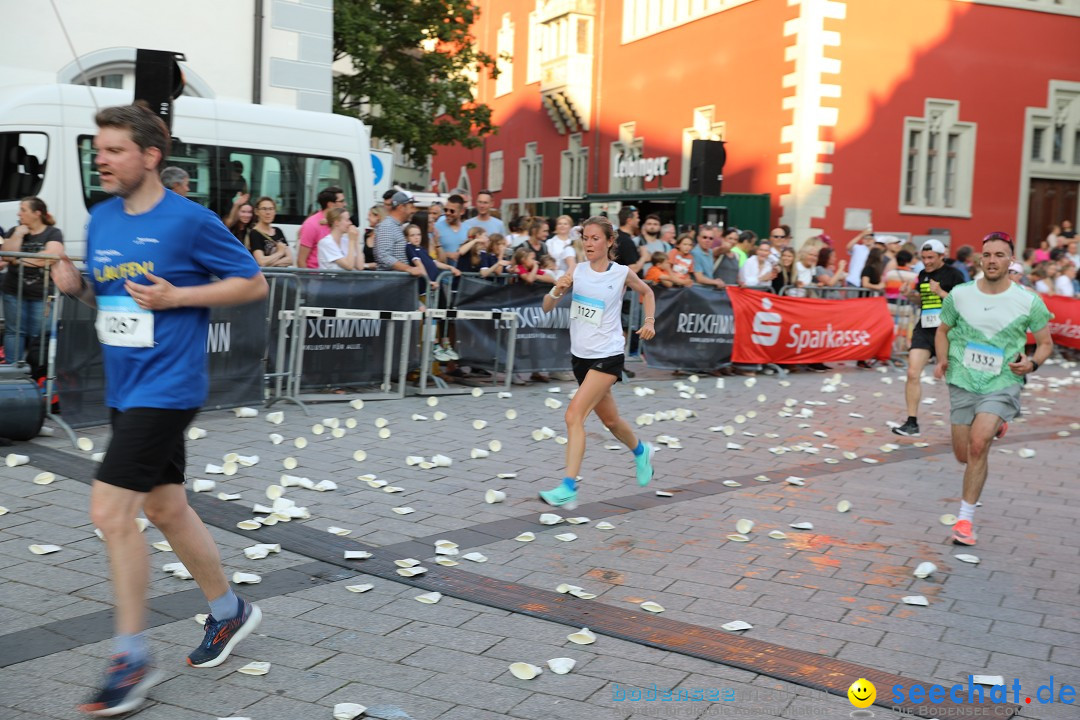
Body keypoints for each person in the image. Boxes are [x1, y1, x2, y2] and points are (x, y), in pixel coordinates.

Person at [49, 105, 267, 716]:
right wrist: (78, 287)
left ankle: (131, 657)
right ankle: (230, 611)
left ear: (151, 156)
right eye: (99, 150)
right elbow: (111, 290)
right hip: (126, 385)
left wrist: (181, 296)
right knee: (167, 506)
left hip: (167, 388)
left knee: (109, 510)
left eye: (115, 150)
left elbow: (253, 283)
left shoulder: (189, 221)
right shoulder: (102, 217)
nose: (103, 159)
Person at [934, 232, 1052, 546]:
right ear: (979, 259)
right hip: (962, 379)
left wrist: (1032, 364)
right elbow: (942, 331)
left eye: (1000, 255)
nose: (992, 260)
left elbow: (1045, 343)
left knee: (977, 444)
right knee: (963, 454)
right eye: (987, 255)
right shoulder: (959, 294)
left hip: (1002, 381)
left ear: (1011, 260)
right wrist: (943, 358)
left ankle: (964, 521)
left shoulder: (1028, 300)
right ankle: (994, 425)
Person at [537, 216, 657, 508]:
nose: (588, 244)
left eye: (595, 239)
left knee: (573, 415)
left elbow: (647, 292)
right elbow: (546, 307)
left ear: (609, 242)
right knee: (611, 420)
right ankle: (642, 451)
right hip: (581, 357)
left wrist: (649, 320)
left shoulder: (620, 273)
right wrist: (558, 289)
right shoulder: (577, 271)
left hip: (608, 354)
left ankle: (568, 486)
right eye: (585, 239)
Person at [891, 239, 968, 436]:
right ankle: (911, 422)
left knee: (957, 379)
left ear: (942, 256)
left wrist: (941, 292)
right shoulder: (923, 274)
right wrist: (910, 295)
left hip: (948, 330)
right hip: (925, 328)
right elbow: (922, 300)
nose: (927, 262)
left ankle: (977, 418)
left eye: (931, 258)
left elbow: (964, 304)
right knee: (912, 372)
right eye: (924, 258)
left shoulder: (955, 275)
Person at [1, 196, 64, 365]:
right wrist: (19, 234)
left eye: (23, 210)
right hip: (13, 292)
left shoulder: (53, 232)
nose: (18, 213)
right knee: (14, 332)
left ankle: (37, 374)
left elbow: (50, 257)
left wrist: (20, 260)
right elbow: (7, 254)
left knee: (40, 334)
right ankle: (14, 373)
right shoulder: (15, 230)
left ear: (37, 213)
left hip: (42, 295)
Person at [374, 191, 425, 279]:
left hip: (396, 283)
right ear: (401, 207)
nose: (414, 210)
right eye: (411, 206)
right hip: (390, 283)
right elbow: (383, 256)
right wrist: (409, 269)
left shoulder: (396, 226)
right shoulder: (387, 226)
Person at [296, 186, 346, 269]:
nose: (345, 204)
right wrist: (307, 281)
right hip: (316, 278)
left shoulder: (338, 222)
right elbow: (301, 260)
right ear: (330, 205)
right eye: (341, 201)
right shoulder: (311, 224)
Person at [245, 197, 294, 267]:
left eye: (271, 209)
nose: (268, 212)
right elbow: (261, 261)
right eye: (264, 209)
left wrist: (270, 264)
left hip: (281, 276)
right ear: (256, 212)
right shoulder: (254, 233)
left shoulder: (278, 231)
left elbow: (290, 259)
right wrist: (280, 253)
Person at [434, 194, 469, 260]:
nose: (448, 213)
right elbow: (428, 253)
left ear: (462, 211)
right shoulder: (435, 228)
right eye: (446, 210)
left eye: (452, 211)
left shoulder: (468, 230)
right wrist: (447, 254)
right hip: (442, 270)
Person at [614, 206, 646, 274]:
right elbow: (633, 269)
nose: (639, 220)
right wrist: (644, 257)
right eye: (637, 217)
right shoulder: (626, 241)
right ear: (629, 221)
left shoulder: (616, 235)